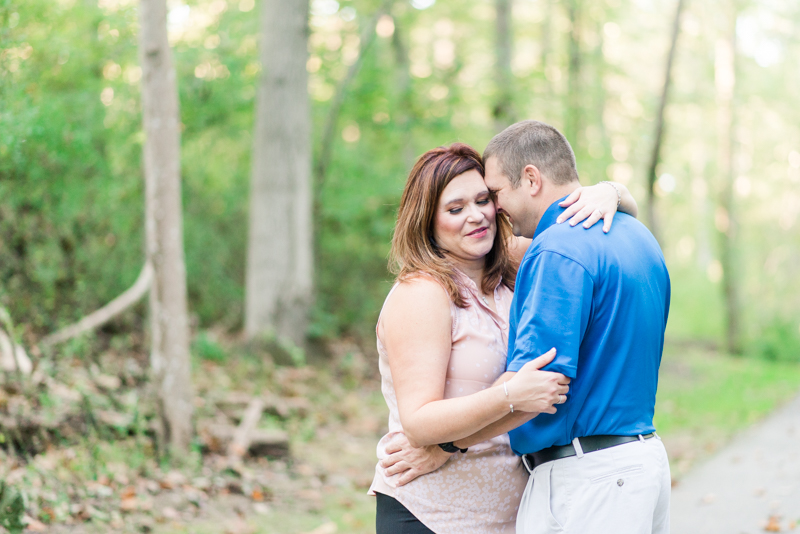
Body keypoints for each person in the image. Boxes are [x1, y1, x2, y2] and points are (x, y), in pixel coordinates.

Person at [370, 142, 639, 534]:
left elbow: (592, 231)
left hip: (510, 514)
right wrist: (510, 394)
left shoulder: (510, 264)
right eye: (455, 208)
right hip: (432, 514)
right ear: (427, 220)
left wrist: (610, 192)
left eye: (483, 200)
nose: (477, 216)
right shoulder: (423, 293)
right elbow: (419, 422)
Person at [482, 120, 671, 534]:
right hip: (643, 464)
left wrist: (448, 443)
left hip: (590, 481)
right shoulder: (639, 236)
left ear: (531, 178)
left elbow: (535, 386)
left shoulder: (557, 247)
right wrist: (615, 190)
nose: (494, 208)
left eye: (496, 193)